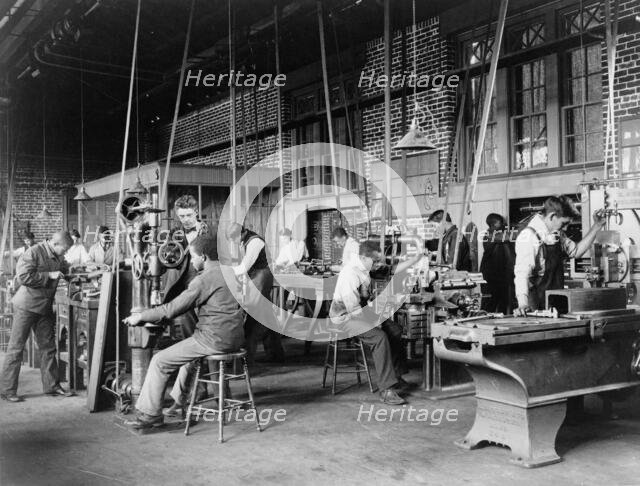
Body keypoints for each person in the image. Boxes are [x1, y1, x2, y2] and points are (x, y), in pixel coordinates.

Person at [122, 235, 244, 429]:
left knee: (160, 361)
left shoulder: (203, 280)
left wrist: (142, 316)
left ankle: (150, 415)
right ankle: (179, 403)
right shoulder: (232, 273)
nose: (192, 261)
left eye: (193, 257)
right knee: (187, 360)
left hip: (213, 340)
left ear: (203, 257)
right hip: (235, 338)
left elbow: (171, 309)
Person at [330, 240, 419, 405]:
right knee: (379, 338)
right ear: (364, 257)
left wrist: (416, 259)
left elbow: (391, 270)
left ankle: (396, 375)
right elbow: (353, 309)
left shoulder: (366, 266)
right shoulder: (350, 274)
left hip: (362, 311)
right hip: (345, 316)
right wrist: (374, 322)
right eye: (375, 261)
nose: (378, 264)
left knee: (396, 330)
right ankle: (387, 389)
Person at [0, 231, 73, 402]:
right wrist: (49, 275)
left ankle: (52, 386)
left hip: (44, 307)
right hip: (26, 306)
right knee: (16, 349)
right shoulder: (33, 252)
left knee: (48, 348)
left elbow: (65, 268)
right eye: (65, 249)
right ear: (55, 244)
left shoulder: (57, 255)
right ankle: (7, 390)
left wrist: (83, 268)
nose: (66, 252)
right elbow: (24, 276)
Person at [514, 196, 606, 315]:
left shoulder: (557, 234)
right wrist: (523, 304)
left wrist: (597, 226)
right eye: (564, 223)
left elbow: (576, 251)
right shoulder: (529, 236)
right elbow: (522, 274)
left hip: (556, 298)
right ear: (552, 216)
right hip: (536, 302)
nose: (566, 228)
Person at [227, 223, 284, 364]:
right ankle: (276, 354)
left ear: (242, 233)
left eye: (235, 239)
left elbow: (244, 266)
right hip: (256, 275)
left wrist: (226, 272)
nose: (234, 242)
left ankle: (246, 357)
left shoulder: (255, 242)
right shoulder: (244, 240)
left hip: (263, 275)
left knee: (253, 314)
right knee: (268, 315)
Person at [162, 195, 210, 338]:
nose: (185, 219)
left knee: (207, 318)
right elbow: (168, 255)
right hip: (182, 281)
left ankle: (205, 350)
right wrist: (169, 254)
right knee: (185, 318)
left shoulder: (209, 231)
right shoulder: (174, 233)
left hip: (204, 280)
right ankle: (194, 353)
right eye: (181, 216)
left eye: (189, 215)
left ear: (196, 212)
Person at [480, 213, 515, 315]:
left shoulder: (499, 234)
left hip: (501, 277)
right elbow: (508, 236)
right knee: (488, 305)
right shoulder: (490, 235)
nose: (504, 224)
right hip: (490, 278)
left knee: (502, 306)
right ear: (494, 224)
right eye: (501, 222)